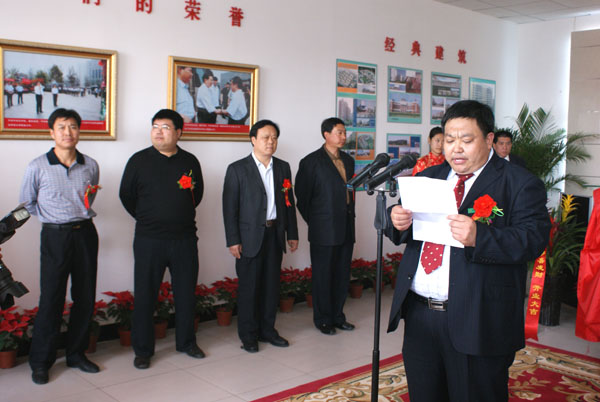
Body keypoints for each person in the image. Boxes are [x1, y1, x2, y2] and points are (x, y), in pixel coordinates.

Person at [386, 100, 550, 402]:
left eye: (466, 139)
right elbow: (405, 226)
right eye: (449, 140)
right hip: (420, 314)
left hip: (480, 317)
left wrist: (480, 236)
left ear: (489, 140)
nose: (456, 148)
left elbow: (534, 238)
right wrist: (396, 220)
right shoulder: (430, 176)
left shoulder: (519, 182)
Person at [20, 108, 101, 385]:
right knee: (52, 298)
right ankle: (41, 362)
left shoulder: (90, 165)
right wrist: (53, 218)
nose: (68, 132)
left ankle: (76, 354)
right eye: (62, 127)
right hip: (55, 237)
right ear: (51, 132)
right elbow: (28, 202)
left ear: (79, 131)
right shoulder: (37, 166)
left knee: (85, 296)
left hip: (85, 234)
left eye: (73, 127)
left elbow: (89, 197)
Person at [119, 109, 205, 370]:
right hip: (149, 240)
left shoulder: (190, 161)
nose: (158, 131)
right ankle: (143, 350)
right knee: (145, 295)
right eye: (155, 126)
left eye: (165, 127)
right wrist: (149, 218)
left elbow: (197, 195)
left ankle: (186, 342)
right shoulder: (138, 161)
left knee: (186, 293)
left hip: (184, 239)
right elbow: (126, 196)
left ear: (179, 132)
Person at [222, 119, 299, 353]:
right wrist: (233, 240)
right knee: (249, 288)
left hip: (274, 234)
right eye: (265, 137)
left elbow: (289, 202)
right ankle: (248, 335)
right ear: (253, 139)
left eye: (274, 138)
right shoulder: (237, 169)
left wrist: (292, 233)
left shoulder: (283, 167)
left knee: (271, 286)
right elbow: (229, 208)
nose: (270, 142)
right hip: (248, 237)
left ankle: (268, 330)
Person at [295, 117, 355, 335]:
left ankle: (338, 316)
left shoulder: (348, 160)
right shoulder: (311, 162)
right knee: (323, 276)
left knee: (342, 274)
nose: (343, 136)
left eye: (344, 132)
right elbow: (302, 198)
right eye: (339, 132)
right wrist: (316, 221)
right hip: (323, 229)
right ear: (326, 134)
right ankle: (322, 319)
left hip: (346, 226)